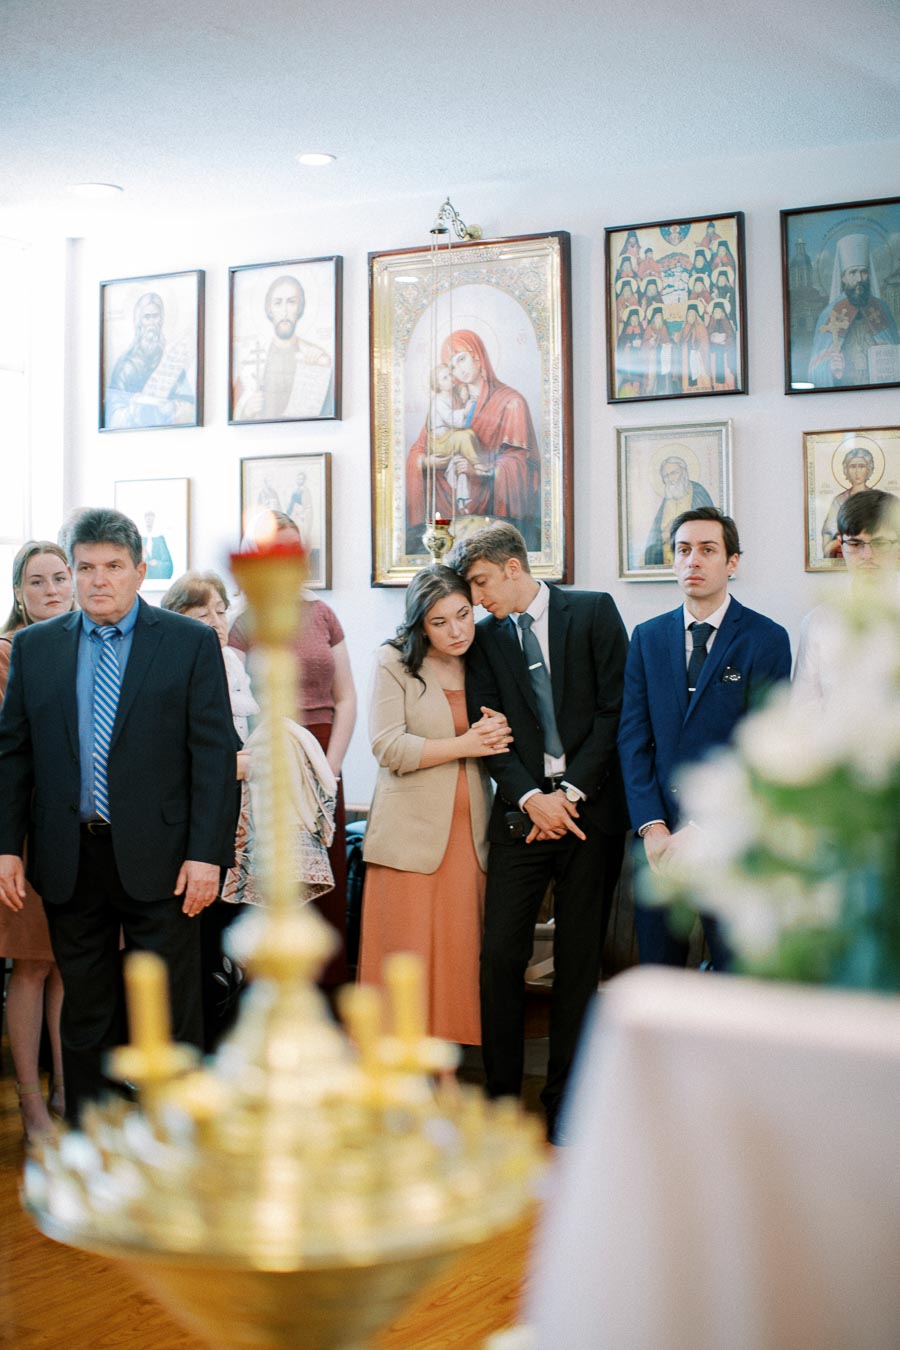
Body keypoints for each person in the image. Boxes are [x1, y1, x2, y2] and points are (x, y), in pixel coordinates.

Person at [0, 509, 238, 1122]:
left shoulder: (187, 643)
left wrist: (207, 854)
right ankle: (90, 1152)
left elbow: (214, 757)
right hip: (69, 857)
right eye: (85, 568)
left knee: (168, 1012)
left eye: (112, 567)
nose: (97, 580)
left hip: (166, 860)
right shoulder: (35, 648)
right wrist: (6, 845)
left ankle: (175, 1149)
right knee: (85, 1015)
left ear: (140, 570)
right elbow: (14, 753)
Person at [446, 523, 630, 1143]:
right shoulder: (487, 639)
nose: (476, 601)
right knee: (499, 956)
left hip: (590, 815)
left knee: (579, 961)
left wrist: (570, 793)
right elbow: (487, 727)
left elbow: (615, 710)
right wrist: (532, 797)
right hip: (519, 817)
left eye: (481, 583)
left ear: (515, 566)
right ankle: (498, 1103)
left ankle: (565, 1104)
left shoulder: (593, 611)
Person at [618, 507, 792, 970]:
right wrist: (652, 827)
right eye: (683, 550)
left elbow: (764, 746)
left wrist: (702, 831)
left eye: (707, 550)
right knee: (660, 976)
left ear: (732, 562)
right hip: (658, 845)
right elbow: (633, 739)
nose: (693, 560)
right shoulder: (647, 637)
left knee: (736, 979)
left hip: (731, 840)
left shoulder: (766, 639)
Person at [358, 566, 511, 1043]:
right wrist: (466, 744)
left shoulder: (486, 655)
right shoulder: (393, 661)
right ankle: (398, 1073)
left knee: (457, 959)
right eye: (440, 622)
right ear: (420, 625)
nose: (456, 630)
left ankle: (445, 1070)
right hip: (408, 840)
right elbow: (388, 748)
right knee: (406, 961)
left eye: (463, 615)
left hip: (470, 839)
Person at [229, 512, 356, 986]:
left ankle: (328, 1010)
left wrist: (333, 766)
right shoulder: (241, 622)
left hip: (324, 757)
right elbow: (235, 705)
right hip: (271, 764)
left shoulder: (323, 614)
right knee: (280, 886)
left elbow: (345, 697)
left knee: (327, 892)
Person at [0, 542, 74, 1141]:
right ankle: (29, 1104)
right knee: (31, 966)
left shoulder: (91, 644)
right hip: (23, 833)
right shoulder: (8, 654)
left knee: (69, 968)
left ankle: (67, 1089)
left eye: (59, 577)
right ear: (18, 596)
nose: (51, 589)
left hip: (79, 834)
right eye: (36, 582)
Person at [406, 329, 541, 550]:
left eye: (462, 359)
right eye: (451, 367)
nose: (458, 370)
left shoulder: (511, 402)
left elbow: (520, 464)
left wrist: (479, 471)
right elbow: (423, 446)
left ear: (478, 355)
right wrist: (429, 462)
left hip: (494, 524)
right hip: (450, 521)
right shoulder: (449, 400)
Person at [794, 489, 900, 706]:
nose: (867, 556)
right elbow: (803, 710)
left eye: (880, 543)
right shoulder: (817, 622)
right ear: (841, 544)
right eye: (855, 544)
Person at [233, 274, 333, 421]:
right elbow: (235, 412)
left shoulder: (315, 355)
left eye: (291, 302)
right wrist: (247, 411)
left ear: (299, 308)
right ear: (269, 309)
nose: (284, 312)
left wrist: (320, 368)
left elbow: (328, 411)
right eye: (278, 303)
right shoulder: (251, 357)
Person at [808, 234, 899, 388]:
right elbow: (813, 371)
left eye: (863, 272)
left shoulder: (881, 309)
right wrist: (831, 367)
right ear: (843, 277)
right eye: (853, 272)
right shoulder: (831, 313)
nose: (859, 279)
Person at [105, 291, 195, 428]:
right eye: (147, 317)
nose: (152, 323)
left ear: (162, 319)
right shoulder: (126, 366)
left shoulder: (171, 360)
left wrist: (173, 407)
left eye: (156, 316)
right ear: (138, 322)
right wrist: (132, 410)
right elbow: (112, 416)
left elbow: (192, 407)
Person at [425, 363, 486, 514]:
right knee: (464, 437)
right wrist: (465, 410)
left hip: (448, 438)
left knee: (470, 435)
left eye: (450, 375)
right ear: (438, 385)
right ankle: (477, 464)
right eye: (444, 378)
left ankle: (463, 500)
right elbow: (454, 421)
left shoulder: (452, 395)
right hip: (439, 442)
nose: (450, 378)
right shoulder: (438, 400)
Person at [643, 456, 714, 566]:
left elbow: (709, 528)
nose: (670, 479)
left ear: (684, 472)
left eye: (674, 473)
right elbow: (656, 535)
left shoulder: (698, 492)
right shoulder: (667, 499)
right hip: (667, 558)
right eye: (666, 476)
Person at [821, 445, 877, 558]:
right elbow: (828, 534)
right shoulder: (839, 500)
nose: (857, 472)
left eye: (861, 466)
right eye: (852, 467)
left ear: (869, 469)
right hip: (845, 552)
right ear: (846, 470)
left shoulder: (878, 499)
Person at [141, 510, 174, 580]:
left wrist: (157, 564)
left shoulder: (159, 539)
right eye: (147, 520)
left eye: (151, 520)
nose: (149, 522)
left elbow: (168, 566)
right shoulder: (140, 539)